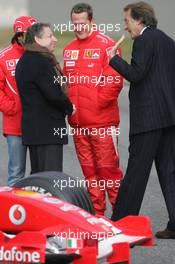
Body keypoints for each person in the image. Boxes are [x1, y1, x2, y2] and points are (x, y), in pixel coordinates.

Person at [108, 1, 175, 238]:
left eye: (127, 21)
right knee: (169, 171)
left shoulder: (143, 40)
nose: (125, 27)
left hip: (148, 118)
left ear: (139, 20)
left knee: (136, 171)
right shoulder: (167, 40)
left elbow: (136, 74)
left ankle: (120, 225)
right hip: (168, 117)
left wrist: (114, 59)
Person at [63, 3, 123, 215]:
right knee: (90, 173)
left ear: (91, 22)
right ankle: (97, 214)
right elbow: (65, 84)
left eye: (82, 23)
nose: (78, 27)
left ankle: (121, 214)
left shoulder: (107, 45)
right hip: (78, 125)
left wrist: (95, 106)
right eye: (75, 23)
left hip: (102, 123)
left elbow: (114, 81)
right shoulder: (69, 49)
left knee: (109, 172)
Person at [15, 23, 73, 174]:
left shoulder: (27, 59)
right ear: (37, 39)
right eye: (49, 36)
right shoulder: (39, 62)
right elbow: (53, 94)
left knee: (40, 179)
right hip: (46, 131)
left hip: (36, 131)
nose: (55, 39)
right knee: (50, 179)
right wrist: (69, 107)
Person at [0, 16, 37, 186]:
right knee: (16, 173)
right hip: (15, 125)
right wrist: (12, 108)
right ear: (18, 35)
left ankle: (38, 211)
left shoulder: (42, 55)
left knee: (40, 174)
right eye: (28, 34)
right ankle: (11, 211)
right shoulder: (4, 57)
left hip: (38, 124)